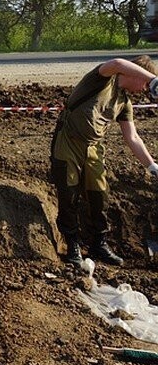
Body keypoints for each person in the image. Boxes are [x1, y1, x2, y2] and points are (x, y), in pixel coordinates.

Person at [50, 55, 158, 267]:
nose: (145, 88)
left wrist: (152, 166)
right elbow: (117, 63)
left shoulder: (124, 102)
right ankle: (72, 243)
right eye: (144, 83)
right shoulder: (102, 80)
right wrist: (154, 80)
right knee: (68, 192)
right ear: (133, 73)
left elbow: (133, 137)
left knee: (99, 195)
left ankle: (98, 244)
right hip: (69, 140)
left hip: (93, 147)